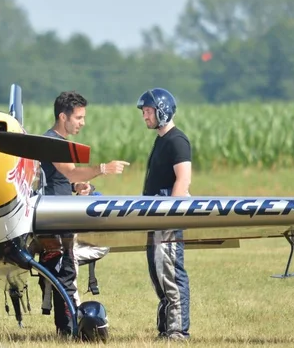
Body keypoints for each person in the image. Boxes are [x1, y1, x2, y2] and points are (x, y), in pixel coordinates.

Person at [40, 90, 129, 337]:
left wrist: (76, 187)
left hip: (59, 215)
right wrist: (102, 169)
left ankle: (65, 329)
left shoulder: (58, 142)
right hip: (56, 220)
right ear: (63, 117)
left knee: (63, 273)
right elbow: (71, 173)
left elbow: (61, 179)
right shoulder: (54, 142)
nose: (82, 123)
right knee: (65, 273)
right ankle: (68, 331)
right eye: (78, 117)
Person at [137, 87, 191, 342]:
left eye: (148, 111)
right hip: (154, 215)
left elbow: (183, 180)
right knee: (158, 272)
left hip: (166, 215)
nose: (145, 116)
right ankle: (165, 329)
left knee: (170, 272)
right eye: (145, 112)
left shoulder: (177, 140)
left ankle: (178, 332)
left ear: (162, 111)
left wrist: (171, 216)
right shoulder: (161, 140)